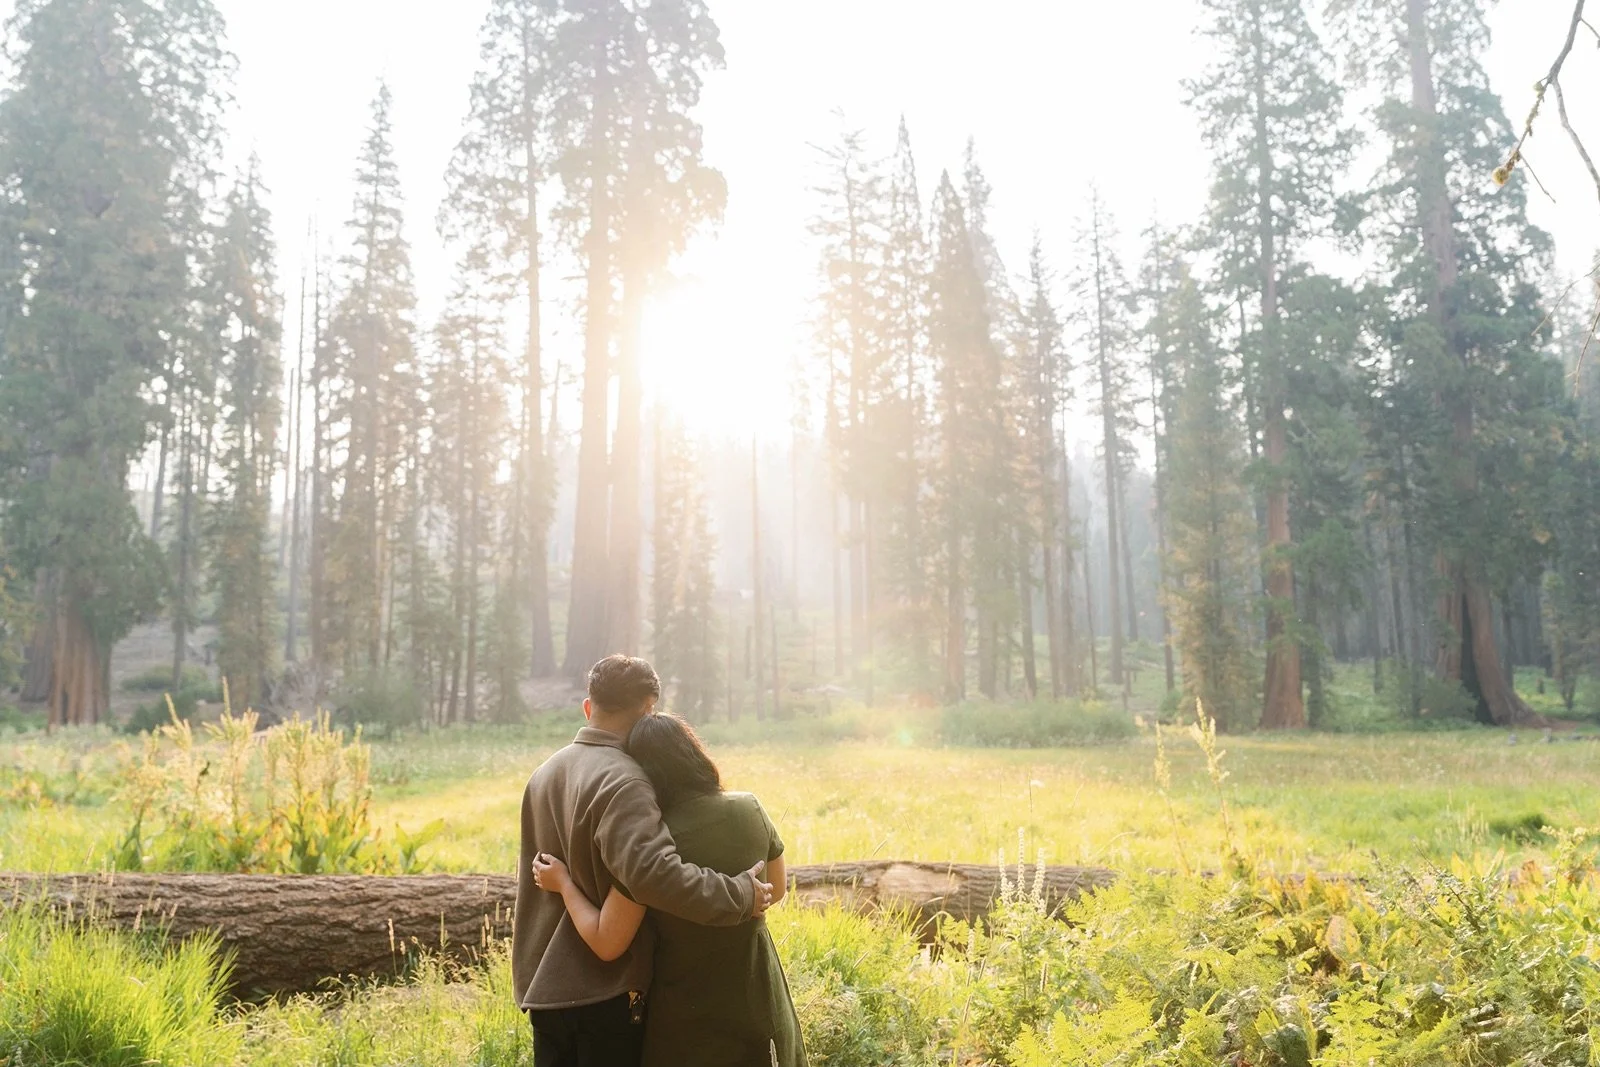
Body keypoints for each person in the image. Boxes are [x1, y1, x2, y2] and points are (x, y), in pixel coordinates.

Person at [512, 654, 774, 1067]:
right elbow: (655, 875)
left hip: (545, 989)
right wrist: (739, 894)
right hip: (605, 996)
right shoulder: (625, 778)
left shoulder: (543, 774)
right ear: (649, 709)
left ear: (588, 707)